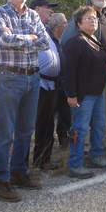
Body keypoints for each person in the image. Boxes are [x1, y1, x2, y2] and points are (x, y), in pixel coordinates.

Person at [0, 0, 50, 202]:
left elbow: (44, 43)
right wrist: (31, 38)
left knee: (25, 130)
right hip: (10, 78)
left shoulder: (34, 14)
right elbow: (4, 41)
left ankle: (18, 173)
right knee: (6, 132)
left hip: (33, 78)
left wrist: (22, 40)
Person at [60, 0, 106, 150]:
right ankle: (83, 150)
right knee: (84, 117)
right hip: (86, 78)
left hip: (104, 74)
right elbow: (66, 44)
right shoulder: (81, 16)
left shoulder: (105, 16)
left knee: (104, 112)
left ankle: (102, 144)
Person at [64, 6, 106, 179]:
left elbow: (97, 62)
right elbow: (69, 71)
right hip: (83, 95)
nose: (93, 20)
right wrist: (72, 95)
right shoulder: (76, 41)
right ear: (79, 23)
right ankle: (75, 165)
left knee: (99, 126)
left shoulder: (95, 39)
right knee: (80, 129)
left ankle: (96, 156)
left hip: (98, 92)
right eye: (88, 18)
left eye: (94, 18)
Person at [28, 0, 61, 170]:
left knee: (48, 123)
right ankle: (32, 162)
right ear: (37, 9)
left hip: (50, 85)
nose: (51, 11)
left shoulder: (45, 30)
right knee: (37, 123)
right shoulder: (29, 27)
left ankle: (43, 159)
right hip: (38, 82)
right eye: (48, 8)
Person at [48, 13, 71, 147]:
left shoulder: (67, 40)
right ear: (55, 26)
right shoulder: (48, 40)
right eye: (64, 23)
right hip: (51, 84)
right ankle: (47, 146)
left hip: (65, 83)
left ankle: (65, 141)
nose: (66, 25)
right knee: (49, 116)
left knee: (66, 115)